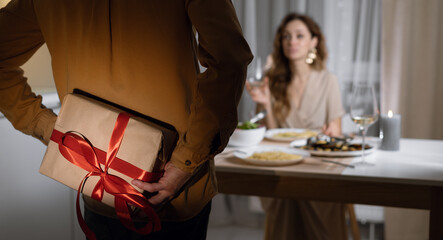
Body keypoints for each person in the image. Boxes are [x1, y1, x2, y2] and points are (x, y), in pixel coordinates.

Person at [0, 0, 253, 239]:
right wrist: (186, 161)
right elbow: (229, 59)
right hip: (173, 189)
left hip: (100, 185)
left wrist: (53, 131)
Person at [246, 13, 346, 240]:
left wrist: (331, 133)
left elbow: (337, 131)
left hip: (316, 162)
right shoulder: (275, 82)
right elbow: (271, 134)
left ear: (314, 42)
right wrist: (265, 103)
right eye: (286, 37)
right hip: (285, 162)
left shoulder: (328, 80)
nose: (292, 41)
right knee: (287, 189)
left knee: (299, 190)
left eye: (300, 36)